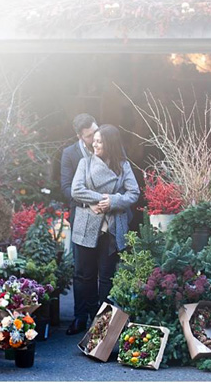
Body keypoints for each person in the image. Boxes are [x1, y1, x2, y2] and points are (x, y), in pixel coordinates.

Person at [68, 124, 140, 335]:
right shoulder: (85, 162)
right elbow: (76, 190)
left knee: (107, 277)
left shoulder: (122, 165)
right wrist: (101, 199)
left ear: (110, 144)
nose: (95, 144)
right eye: (95, 141)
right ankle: (82, 317)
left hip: (111, 228)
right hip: (86, 225)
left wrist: (113, 201)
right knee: (83, 275)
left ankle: (104, 322)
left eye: (99, 141)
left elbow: (133, 193)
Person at [60, 113, 98, 335]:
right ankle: (80, 316)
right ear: (79, 136)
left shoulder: (108, 146)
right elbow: (66, 188)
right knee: (82, 269)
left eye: (95, 131)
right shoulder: (70, 154)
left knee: (102, 269)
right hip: (82, 215)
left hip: (105, 214)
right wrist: (89, 201)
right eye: (89, 135)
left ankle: (99, 317)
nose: (94, 138)